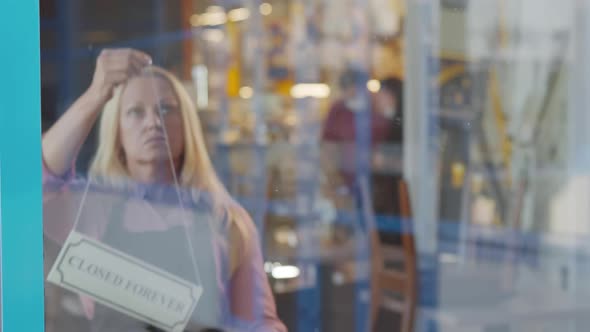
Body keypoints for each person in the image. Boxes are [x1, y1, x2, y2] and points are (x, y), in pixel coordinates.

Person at [42, 48, 286, 331]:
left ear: (186, 125)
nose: (153, 122)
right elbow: (35, 181)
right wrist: (97, 93)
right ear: (116, 130)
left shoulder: (227, 218)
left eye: (166, 109)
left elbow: (260, 323)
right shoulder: (91, 208)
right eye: (135, 112)